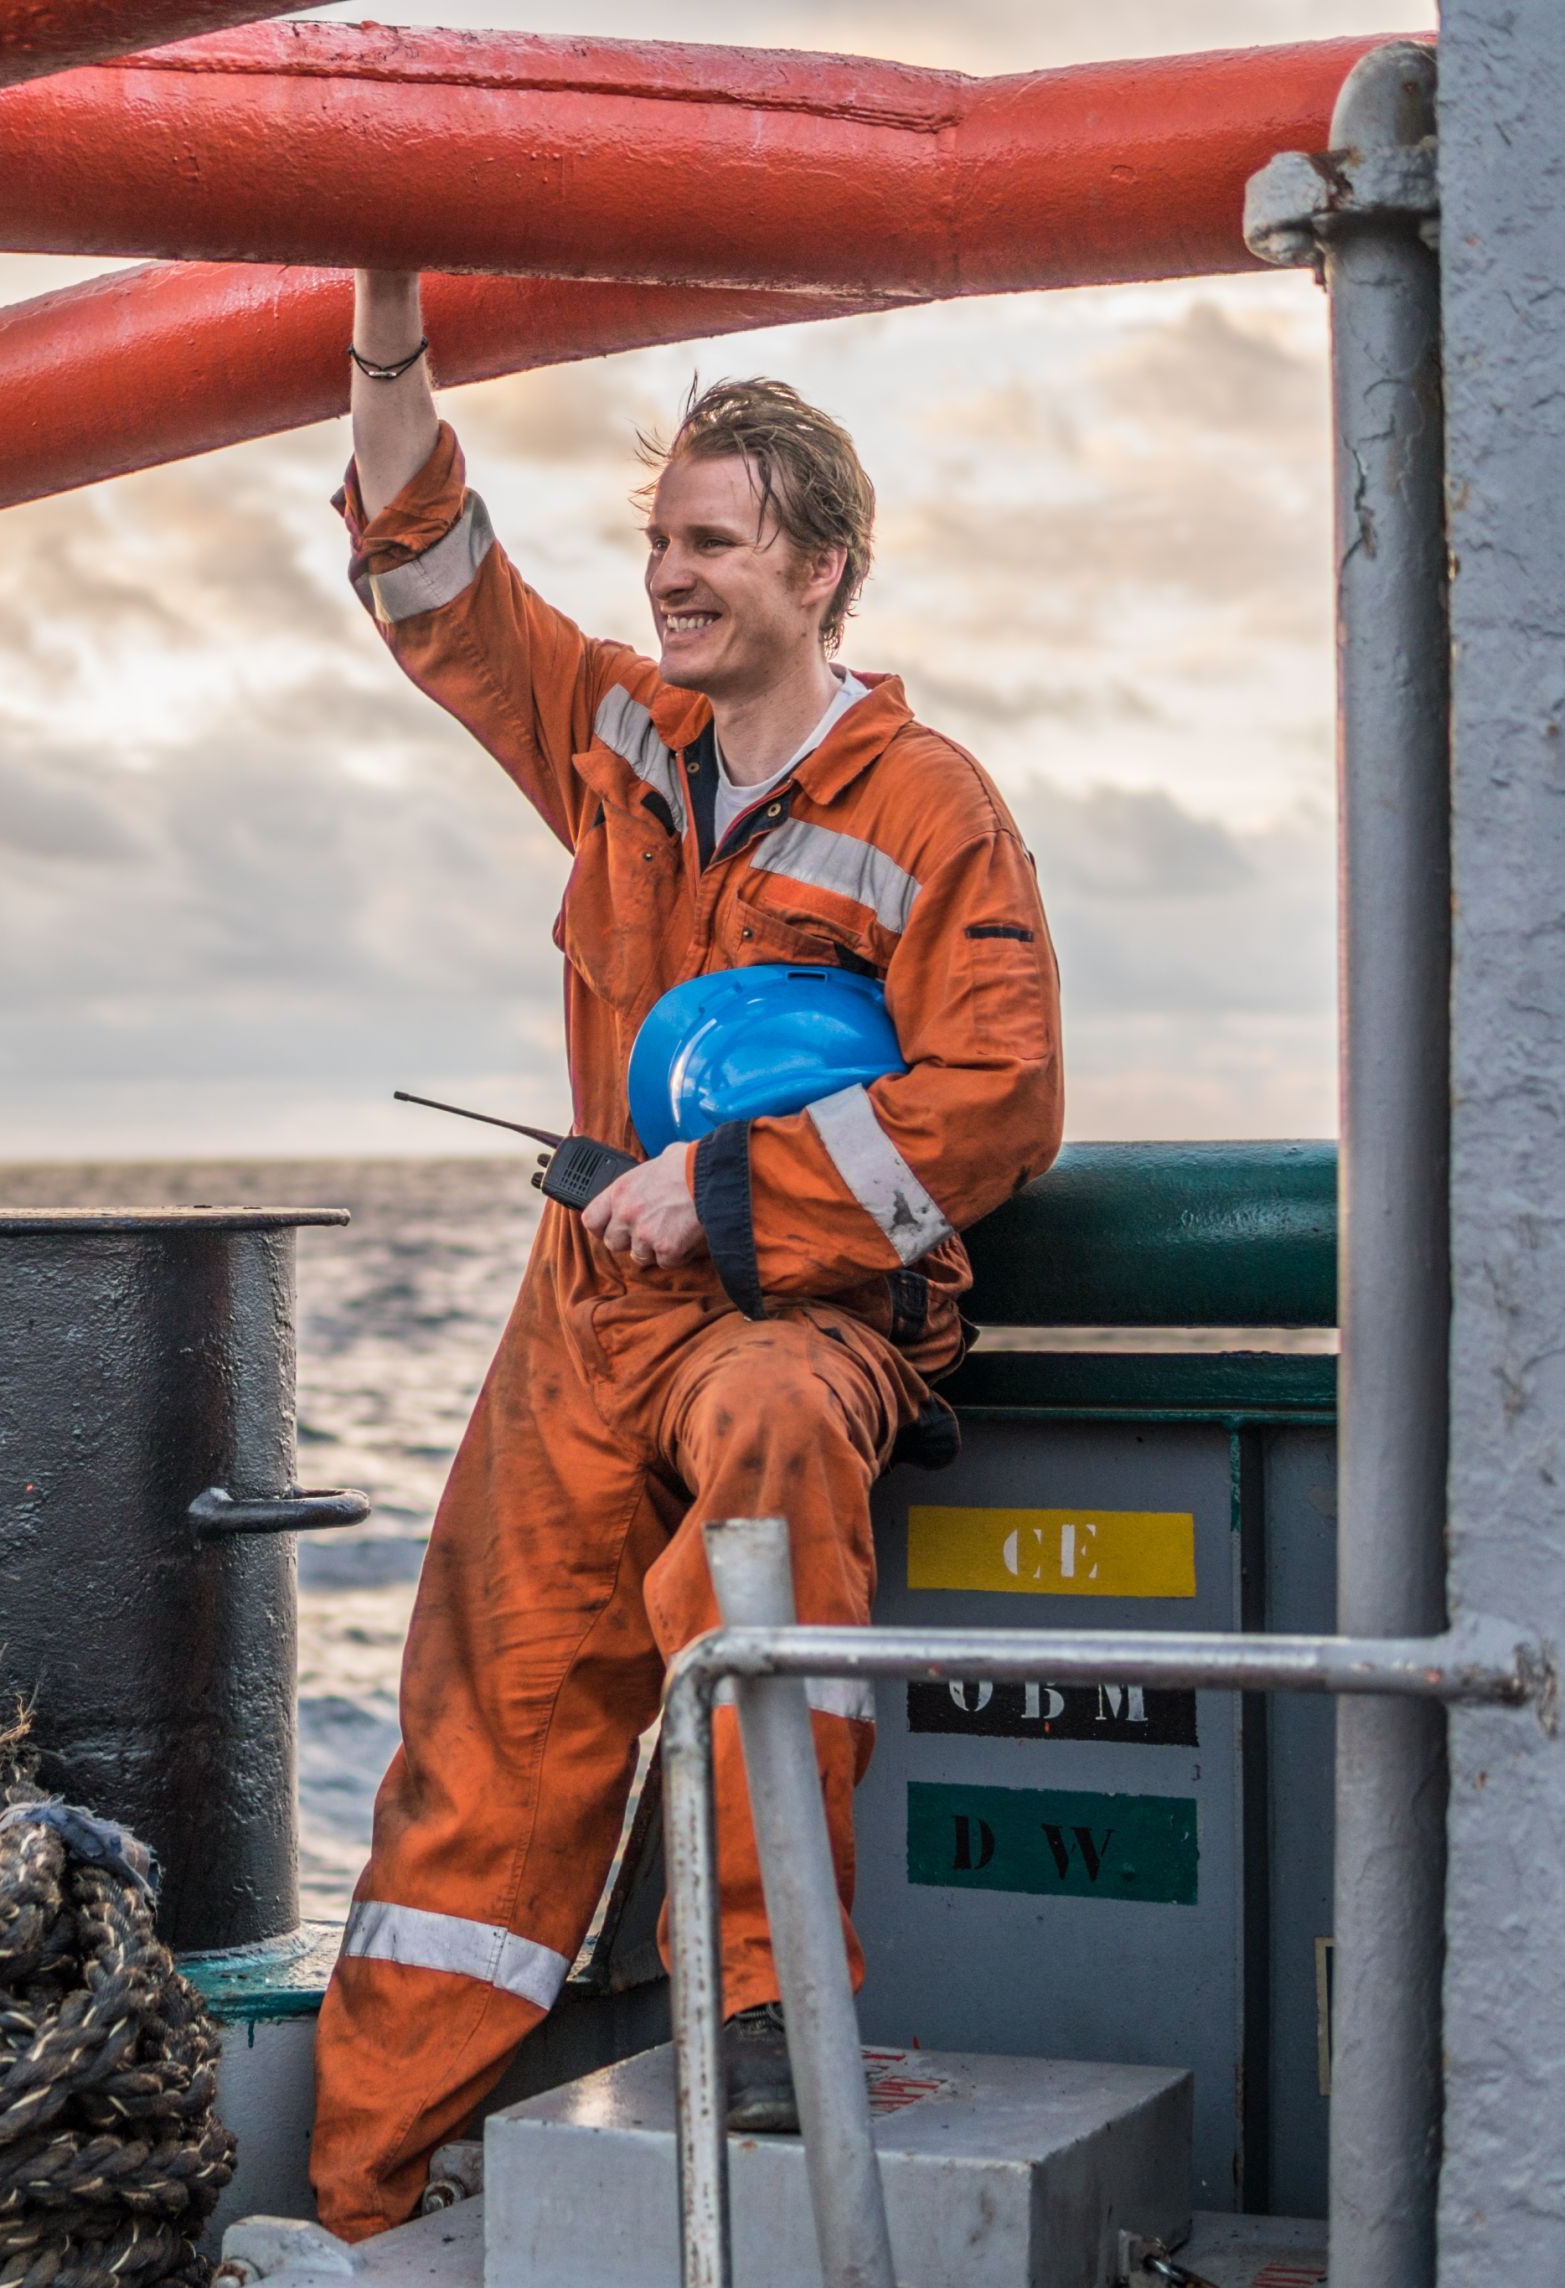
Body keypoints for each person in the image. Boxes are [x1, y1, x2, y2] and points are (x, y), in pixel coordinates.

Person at [310, 269, 1064, 2241]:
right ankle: (364, 2196)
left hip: (792, 1317)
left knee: (771, 1478)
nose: (668, 578)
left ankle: (748, 2023)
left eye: (710, 544)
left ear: (822, 569)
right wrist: (390, 342)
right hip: (589, 1315)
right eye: (657, 545)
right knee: (484, 1731)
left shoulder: (929, 807)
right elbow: (443, 600)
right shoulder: (622, 739)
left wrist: (731, 1189)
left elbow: (999, 1101)